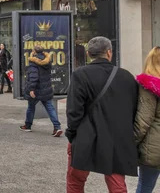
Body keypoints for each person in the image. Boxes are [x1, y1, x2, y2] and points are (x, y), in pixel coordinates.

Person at [65, 36, 138, 192]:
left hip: (86, 135)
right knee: (117, 182)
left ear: (88, 53)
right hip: (116, 138)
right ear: (109, 53)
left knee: (76, 180)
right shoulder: (126, 77)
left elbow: (73, 111)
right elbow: (133, 109)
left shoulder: (80, 75)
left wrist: (72, 135)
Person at [19, 46, 63, 137]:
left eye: (32, 51)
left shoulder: (33, 62)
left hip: (36, 89)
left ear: (34, 52)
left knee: (31, 107)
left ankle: (28, 125)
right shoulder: (47, 60)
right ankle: (57, 127)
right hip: (46, 88)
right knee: (50, 108)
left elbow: (34, 76)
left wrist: (31, 89)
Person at [134, 47, 160, 193]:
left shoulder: (149, 86)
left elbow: (143, 121)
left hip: (154, 148)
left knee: (145, 187)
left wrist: (131, 142)